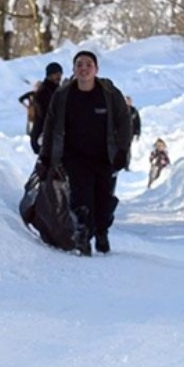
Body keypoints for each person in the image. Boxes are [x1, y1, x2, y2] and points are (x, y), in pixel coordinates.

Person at [38, 50, 132, 256]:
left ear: (96, 69)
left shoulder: (109, 93)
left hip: (105, 155)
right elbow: (51, 126)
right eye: (79, 64)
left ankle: (102, 231)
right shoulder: (63, 95)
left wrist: (123, 150)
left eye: (88, 64)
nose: (84, 68)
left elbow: (125, 122)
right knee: (81, 198)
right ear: (73, 70)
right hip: (74, 156)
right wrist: (46, 156)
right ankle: (82, 234)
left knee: (104, 199)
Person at [28, 62, 64, 154]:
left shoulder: (56, 90)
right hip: (43, 137)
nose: (59, 77)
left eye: (60, 74)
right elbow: (45, 116)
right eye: (56, 74)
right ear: (49, 75)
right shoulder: (43, 92)